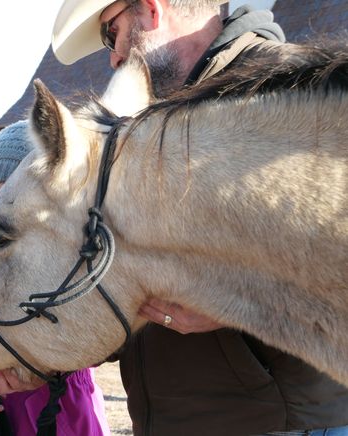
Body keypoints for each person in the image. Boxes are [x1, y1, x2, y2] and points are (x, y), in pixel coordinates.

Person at [50, 1, 348, 434]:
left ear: (150, 11)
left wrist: (234, 303)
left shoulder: (302, 89)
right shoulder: (142, 124)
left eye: (109, 34)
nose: (112, 56)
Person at [0, 120, 110, 436]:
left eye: (14, 190)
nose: (4, 203)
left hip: (63, 406)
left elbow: (98, 335)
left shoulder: (75, 254)